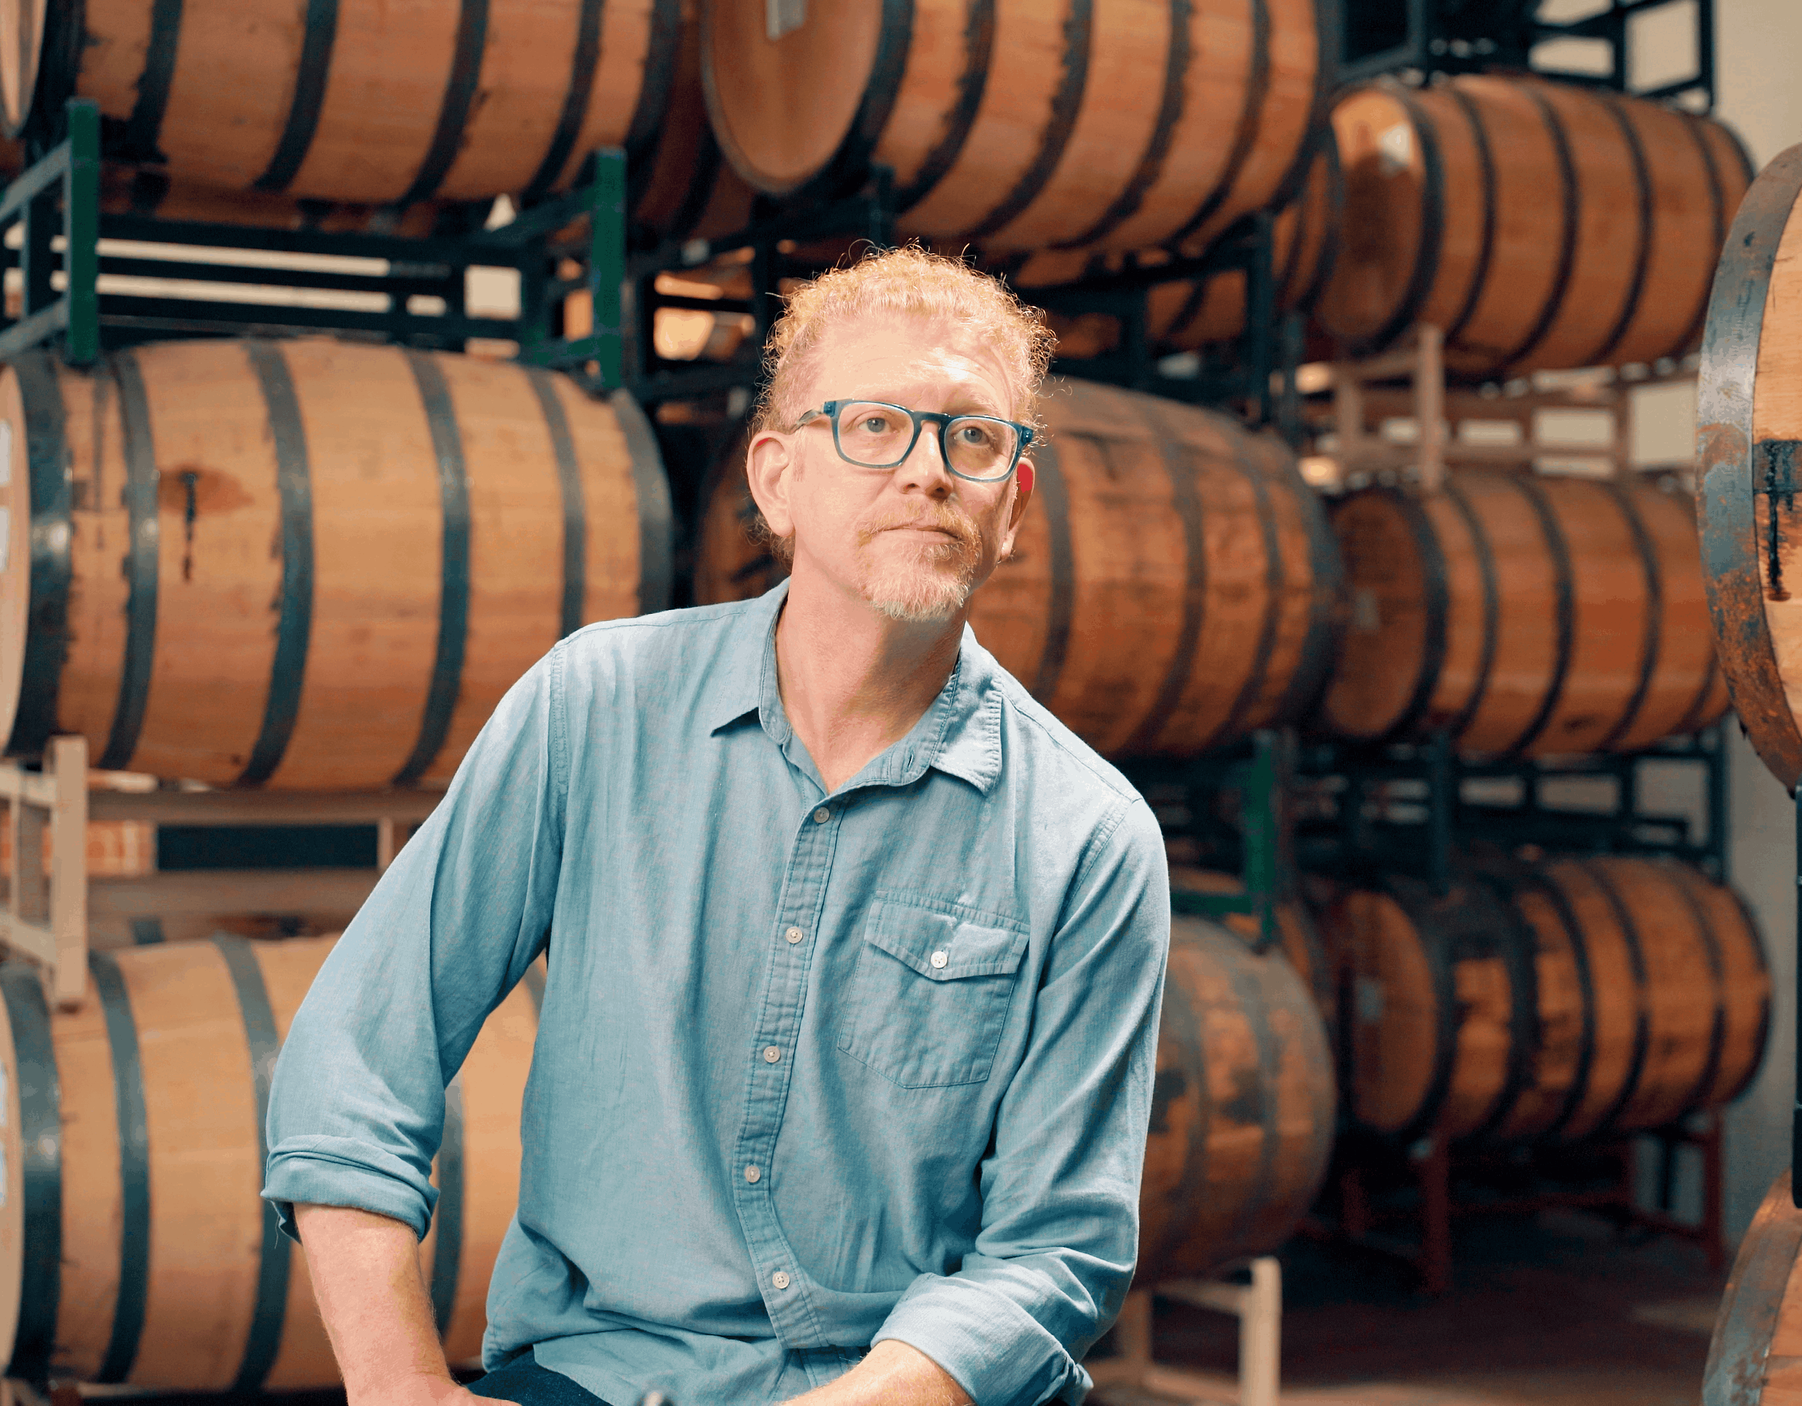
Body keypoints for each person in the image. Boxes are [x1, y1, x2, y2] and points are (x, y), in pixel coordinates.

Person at [264, 246, 1173, 1406]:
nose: (928, 472)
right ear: (778, 480)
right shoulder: (593, 704)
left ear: (1014, 510)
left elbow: (1054, 1249)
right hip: (597, 1373)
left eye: (974, 438)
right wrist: (399, 1385)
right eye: (875, 426)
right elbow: (355, 1052)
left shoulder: (1087, 837)